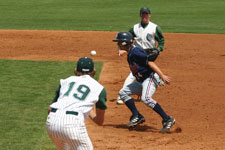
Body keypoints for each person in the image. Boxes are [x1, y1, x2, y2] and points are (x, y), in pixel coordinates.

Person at [113, 31, 175, 133]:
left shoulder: (136, 52)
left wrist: (162, 76)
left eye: (119, 42)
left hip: (150, 77)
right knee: (123, 92)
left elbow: (150, 62)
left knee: (145, 98)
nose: (118, 45)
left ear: (125, 43)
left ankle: (167, 119)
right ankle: (137, 115)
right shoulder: (130, 54)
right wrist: (140, 88)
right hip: (142, 80)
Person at [46, 57, 107, 150]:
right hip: (72, 124)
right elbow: (99, 121)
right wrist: (89, 110)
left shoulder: (65, 81)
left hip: (52, 122)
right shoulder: (99, 89)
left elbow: (49, 110)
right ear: (94, 71)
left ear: (75, 71)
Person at [116, 6, 165, 105]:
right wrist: (121, 49)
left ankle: (153, 80)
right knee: (133, 74)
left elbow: (161, 41)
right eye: (143, 14)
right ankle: (155, 79)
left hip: (150, 53)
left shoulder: (154, 27)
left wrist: (158, 49)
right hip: (137, 53)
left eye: (146, 14)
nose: (144, 16)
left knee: (143, 70)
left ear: (149, 15)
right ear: (140, 15)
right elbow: (126, 39)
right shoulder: (135, 28)